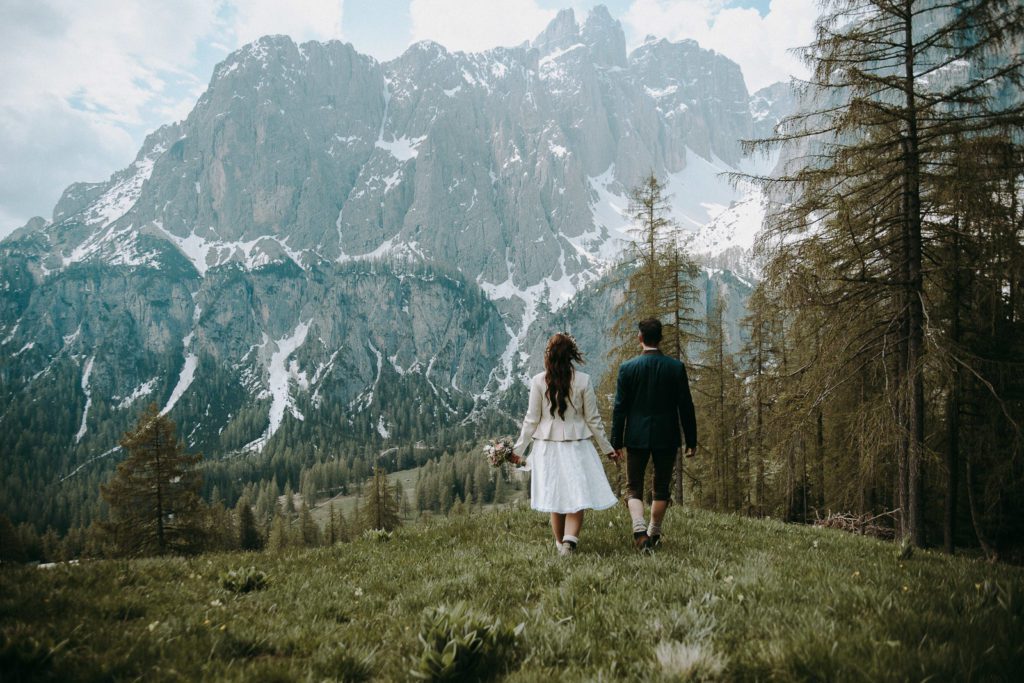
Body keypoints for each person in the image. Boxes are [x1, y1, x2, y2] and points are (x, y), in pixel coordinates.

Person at [512, 332, 619, 556]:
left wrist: (517, 451)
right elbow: (593, 420)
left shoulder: (538, 381)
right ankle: (569, 543)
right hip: (577, 446)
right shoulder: (584, 380)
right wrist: (607, 449)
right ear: (571, 355)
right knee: (577, 495)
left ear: (548, 355)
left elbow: (531, 420)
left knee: (555, 497)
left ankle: (562, 544)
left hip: (547, 447)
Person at [611, 318, 697, 551]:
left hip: (636, 435)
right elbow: (686, 406)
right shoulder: (675, 368)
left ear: (640, 338)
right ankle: (654, 532)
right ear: (660, 339)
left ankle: (639, 530)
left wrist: (615, 442)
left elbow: (620, 408)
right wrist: (691, 440)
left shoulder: (627, 368)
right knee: (661, 487)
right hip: (666, 435)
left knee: (634, 486)